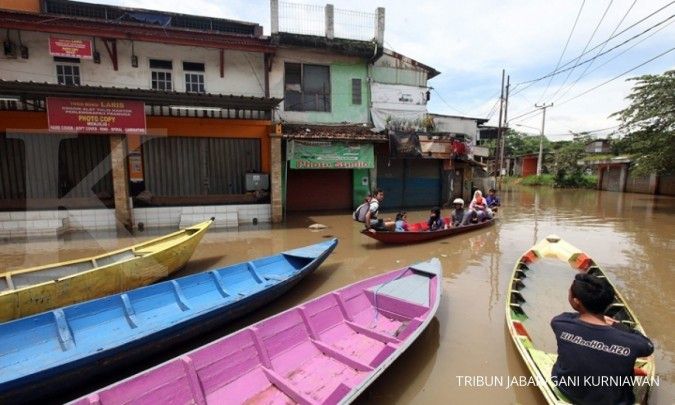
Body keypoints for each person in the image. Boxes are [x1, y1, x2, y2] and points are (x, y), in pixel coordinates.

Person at [551, 273, 654, 405]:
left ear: (576, 302)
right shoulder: (631, 342)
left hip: (566, 389)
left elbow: (571, 317)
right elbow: (648, 347)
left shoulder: (560, 323)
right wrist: (616, 324)